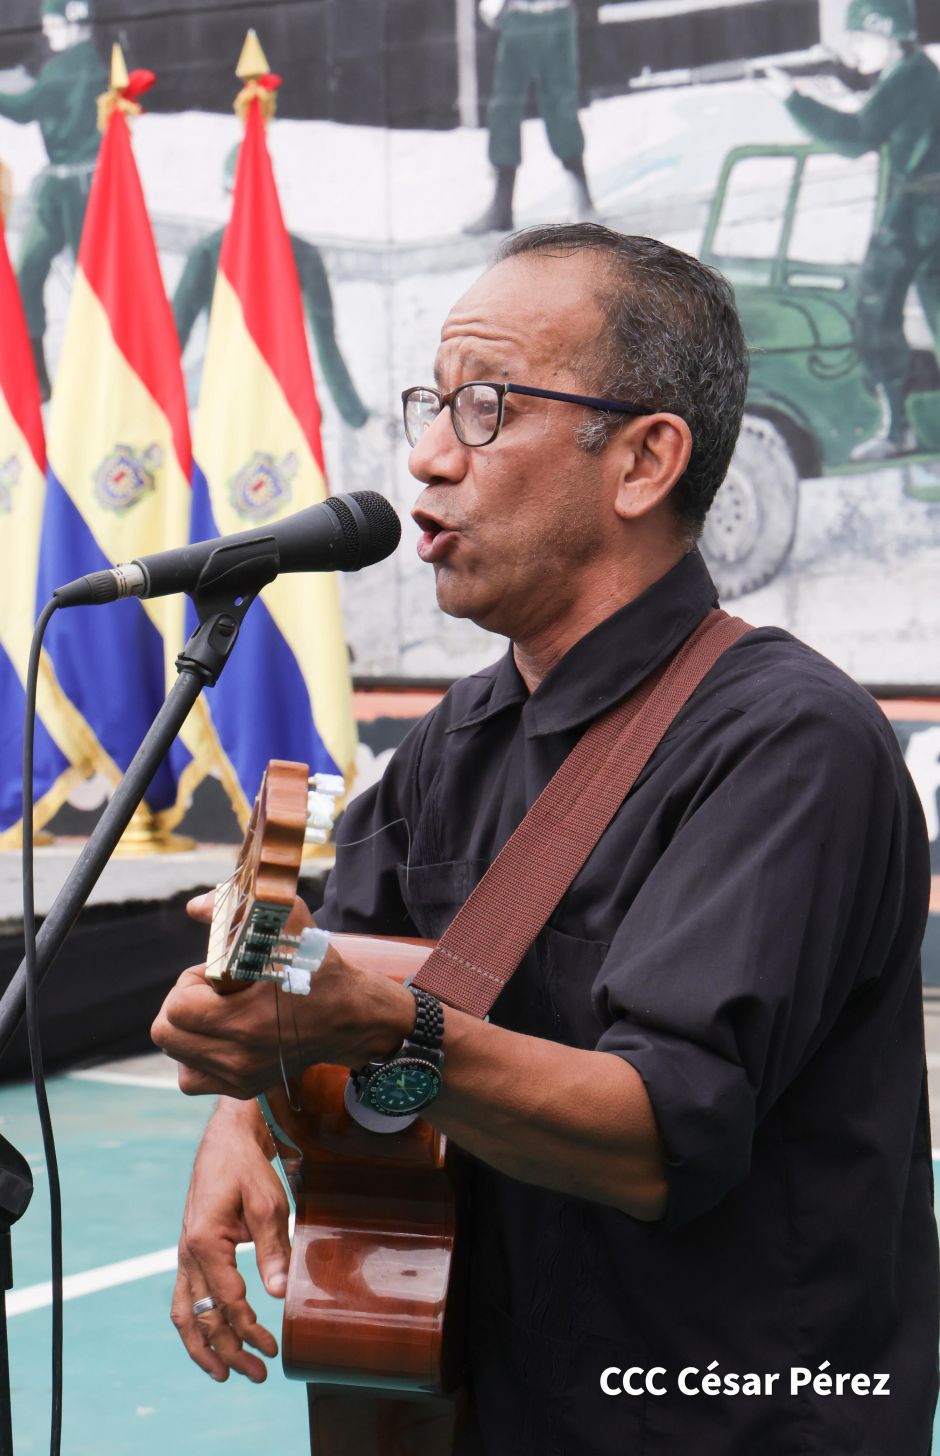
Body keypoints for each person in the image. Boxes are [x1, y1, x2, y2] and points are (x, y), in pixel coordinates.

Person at [152, 223, 938, 1454]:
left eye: (482, 408)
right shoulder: (457, 738)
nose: (424, 457)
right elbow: (329, 961)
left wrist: (378, 1024)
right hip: (481, 1395)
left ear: (641, 460)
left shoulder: (790, 743)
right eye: (430, 403)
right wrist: (243, 1114)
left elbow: (654, 1136)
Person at [764, 0, 940, 462]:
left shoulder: (905, 80)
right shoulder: (917, 70)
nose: (857, 48)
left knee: (875, 313)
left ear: (890, 36)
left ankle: (898, 429)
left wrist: (793, 100)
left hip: (911, 216)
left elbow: (856, 135)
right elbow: (882, 101)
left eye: (862, 39)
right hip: (931, 211)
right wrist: (840, 78)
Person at [172, 145, 370, 432]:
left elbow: (174, 338)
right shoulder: (302, 255)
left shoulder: (208, 253)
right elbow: (326, 343)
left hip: (234, 407)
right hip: (276, 405)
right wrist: (354, 414)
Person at [0, 0, 105, 400]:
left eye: (53, 24)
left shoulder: (70, 67)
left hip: (78, 189)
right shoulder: (90, 61)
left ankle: (43, 376)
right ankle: (69, 374)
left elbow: (27, 108)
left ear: (75, 21)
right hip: (68, 184)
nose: (47, 32)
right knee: (80, 277)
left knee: (41, 272)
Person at [464, 0, 595, 234]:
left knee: (561, 105)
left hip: (557, 14)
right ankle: (501, 207)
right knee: (504, 109)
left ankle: (583, 199)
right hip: (518, 18)